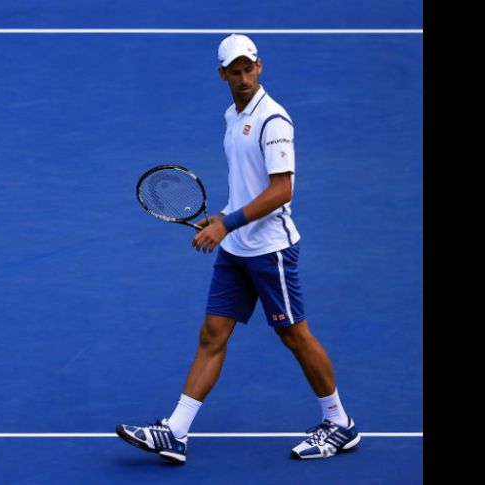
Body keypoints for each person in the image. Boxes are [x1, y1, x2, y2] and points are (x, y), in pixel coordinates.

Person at [116, 33, 360, 464]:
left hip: (270, 250)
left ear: (260, 67)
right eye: (235, 71)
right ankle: (175, 431)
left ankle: (339, 423)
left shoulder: (273, 121)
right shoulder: (233, 115)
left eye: (250, 68)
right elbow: (248, 185)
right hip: (237, 247)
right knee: (212, 335)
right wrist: (223, 215)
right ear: (222, 74)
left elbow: (282, 190)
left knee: (293, 334)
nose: (244, 77)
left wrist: (226, 224)